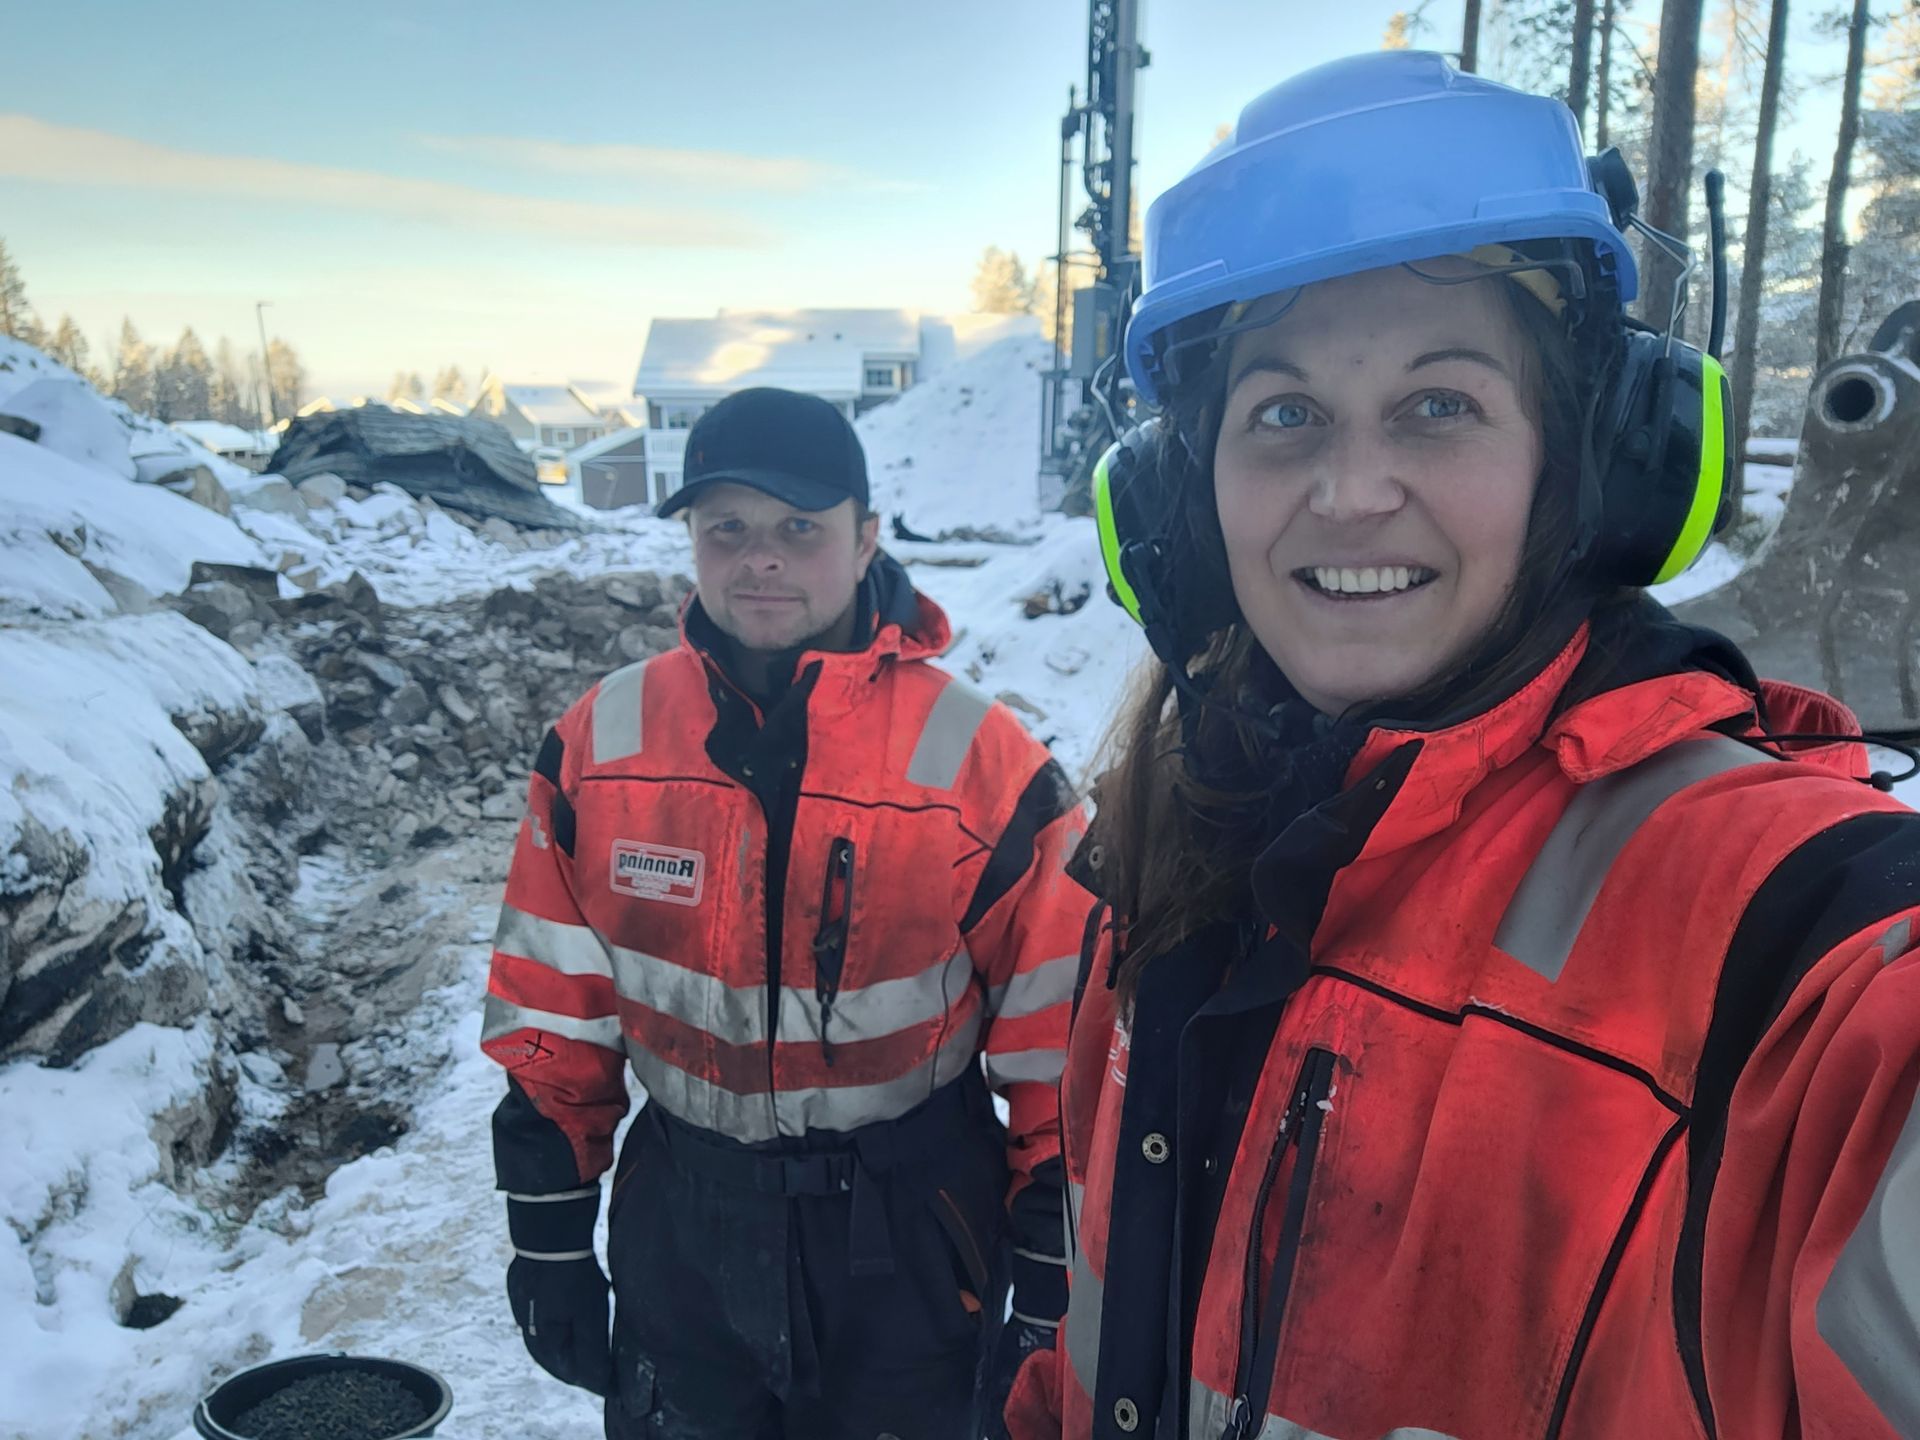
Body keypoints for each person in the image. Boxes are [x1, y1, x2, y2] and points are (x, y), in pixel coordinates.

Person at [1005, 50, 1920, 1440]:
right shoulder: (1163, 843)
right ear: (1182, 508)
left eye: (1441, 405)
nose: (1351, 491)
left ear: (1593, 461)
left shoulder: (1774, 919)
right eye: (1282, 414)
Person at [481, 387, 1088, 1439]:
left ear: (866, 541)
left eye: (799, 528)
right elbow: (554, 1015)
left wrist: (1048, 1271)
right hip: (684, 1231)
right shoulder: (601, 743)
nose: (759, 557)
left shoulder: (981, 763)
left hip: (912, 1235)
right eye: (728, 528)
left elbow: (1064, 1044)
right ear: (693, 543)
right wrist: (547, 1239)